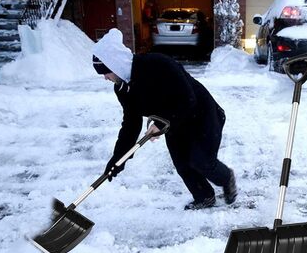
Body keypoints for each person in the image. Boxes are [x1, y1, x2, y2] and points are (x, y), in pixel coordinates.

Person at [92, 28, 237, 210]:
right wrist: (117, 160)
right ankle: (205, 197)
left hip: (202, 115)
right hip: (174, 123)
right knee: (182, 163)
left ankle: (227, 178)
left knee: (201, 161)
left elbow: (188, 99)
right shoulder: (123, 89)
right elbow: (131, 124)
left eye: (105, 72)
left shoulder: (157, 64)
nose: (105, 78)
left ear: (115, 64)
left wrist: (160, 123)